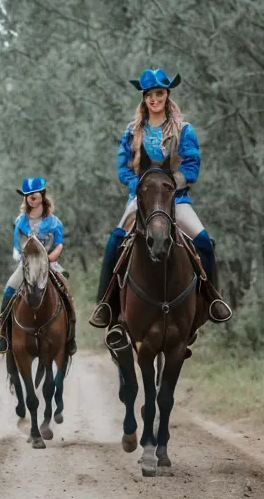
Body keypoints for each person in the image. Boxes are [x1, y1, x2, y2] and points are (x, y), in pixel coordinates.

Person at [88, 67, 233, 330]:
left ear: (167, 95)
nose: (154, 99)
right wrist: (141, 186)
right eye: (149, 95)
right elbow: (122, 168)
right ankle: (105, 303)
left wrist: (168, 186)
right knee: (114, 242)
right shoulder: (132, 131)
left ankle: (213, 298)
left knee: (203, 242)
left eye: (159, 93)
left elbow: (191, 166)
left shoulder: (184, 130)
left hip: (176, 200)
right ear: (143, 98)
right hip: (140, 200)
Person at [0, 177, 77, 356]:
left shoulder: (54, 222)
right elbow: (17, 244)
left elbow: (59, 244)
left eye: (34, 193)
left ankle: (70, 335)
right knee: (9, 289)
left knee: (66, 291)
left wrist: (48, 259)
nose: (31, 197)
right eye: (27, 194)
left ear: (42, 195)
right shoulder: (20, 222)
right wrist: (19, 255)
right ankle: (3, 332)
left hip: (50, 263)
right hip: (26, 265)